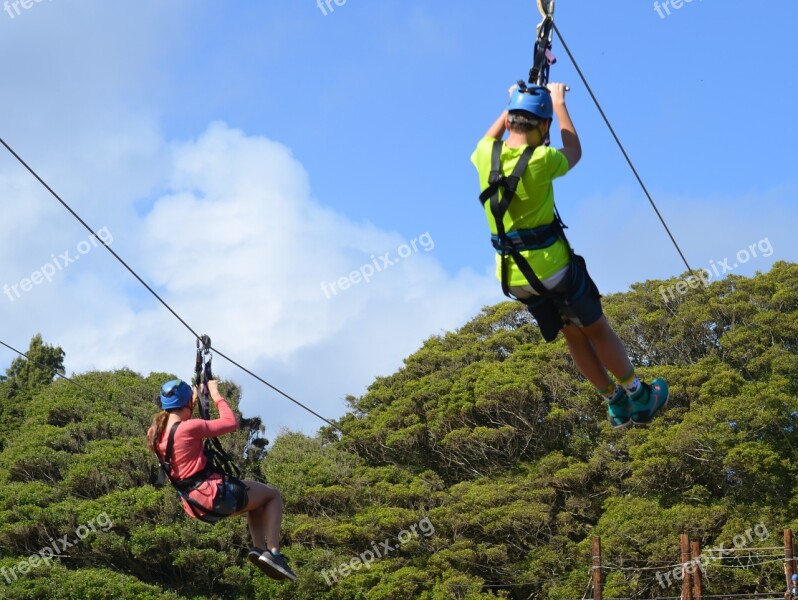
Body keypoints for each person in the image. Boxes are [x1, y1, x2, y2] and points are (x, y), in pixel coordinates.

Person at [471, 82, 668, 427]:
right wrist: (559, 103)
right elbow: (574, 150)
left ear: (510, 120)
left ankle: (613, 401)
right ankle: (638, 393)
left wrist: (515, 99)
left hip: (513, 276)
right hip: (552, 268)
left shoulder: (484, 153)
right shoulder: (543, 160)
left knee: (571, 335)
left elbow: (496, 130)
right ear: (543, 126)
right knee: (596, 329)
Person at [147, 379, 297, 581]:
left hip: (194, 504)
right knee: (272, 495)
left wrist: (191, 400)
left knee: (256, 503)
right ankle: (274, 552)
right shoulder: (189, 428)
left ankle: (259, 550)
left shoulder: (155, 433)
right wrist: (215, 394)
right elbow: (230, 423)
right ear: (186, 404)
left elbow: (181, 428)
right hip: (213, 494)